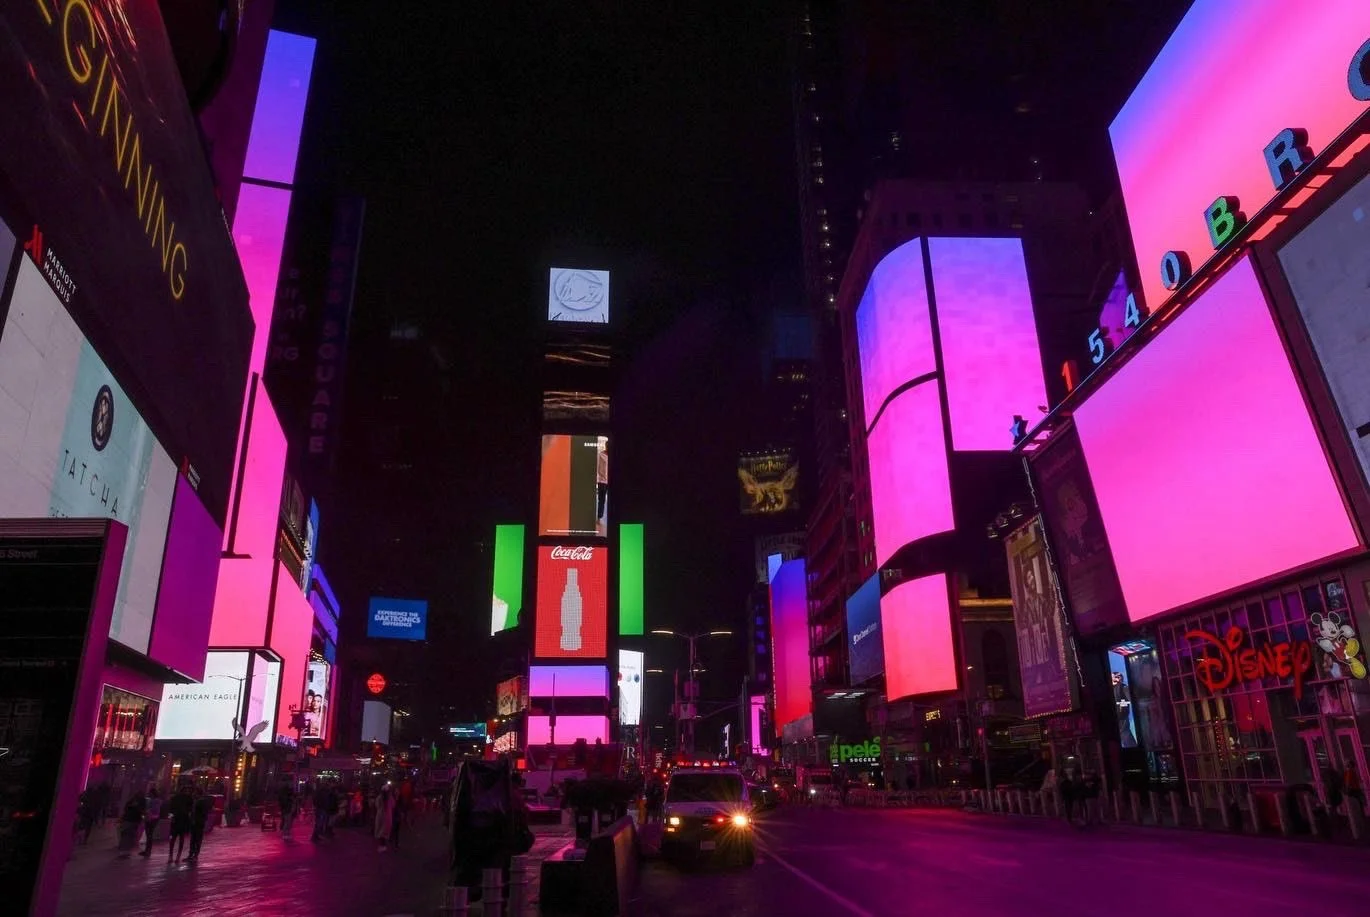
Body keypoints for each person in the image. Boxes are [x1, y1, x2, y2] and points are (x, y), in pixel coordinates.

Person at [166, 783, 194, 862]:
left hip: (176, 820)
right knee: (180, 839)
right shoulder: (189, 798)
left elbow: (170, 809)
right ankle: (177, 856)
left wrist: (171, 817)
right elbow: (190, 810)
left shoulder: (175, 798)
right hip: (182, 820)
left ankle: (171, 856)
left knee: (173, 839)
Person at [186, 788, 214, 862]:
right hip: (195, 821)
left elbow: (203, 812)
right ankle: (192, 854)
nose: (193, 794)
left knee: (197, 839)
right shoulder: (197, 801)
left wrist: (199, 819)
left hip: (198, 822)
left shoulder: (201, 802)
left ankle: (194, 855)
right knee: (193, 839)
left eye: (195, 792)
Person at [116, 791, 146, 858]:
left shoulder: (131, 801)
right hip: (133, 820)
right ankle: (125, 851)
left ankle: (122, 851)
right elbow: (141, 811)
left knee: (125, 835)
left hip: (127, 819)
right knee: (130, 836)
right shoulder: (141, 802)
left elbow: (125, 809)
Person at [139, 787, 163, 857]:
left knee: (149, 834)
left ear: (152, 793)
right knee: (148, 834)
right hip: (153, 818)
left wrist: (147, 811)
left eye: (150, 793)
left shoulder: (154, 801)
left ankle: (148, 851)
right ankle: (147, 851)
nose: (149, 794)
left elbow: (154, 809)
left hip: (151, 818)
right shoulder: (156, 800)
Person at [374, 784, 396, 852]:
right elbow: (393, 805)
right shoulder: (390, 798)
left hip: (380, 815)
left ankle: (382, 846)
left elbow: (377, 805)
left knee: (380, 830)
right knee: (385, 831)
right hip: (387, 816)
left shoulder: (379, 797)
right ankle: (383, 845)